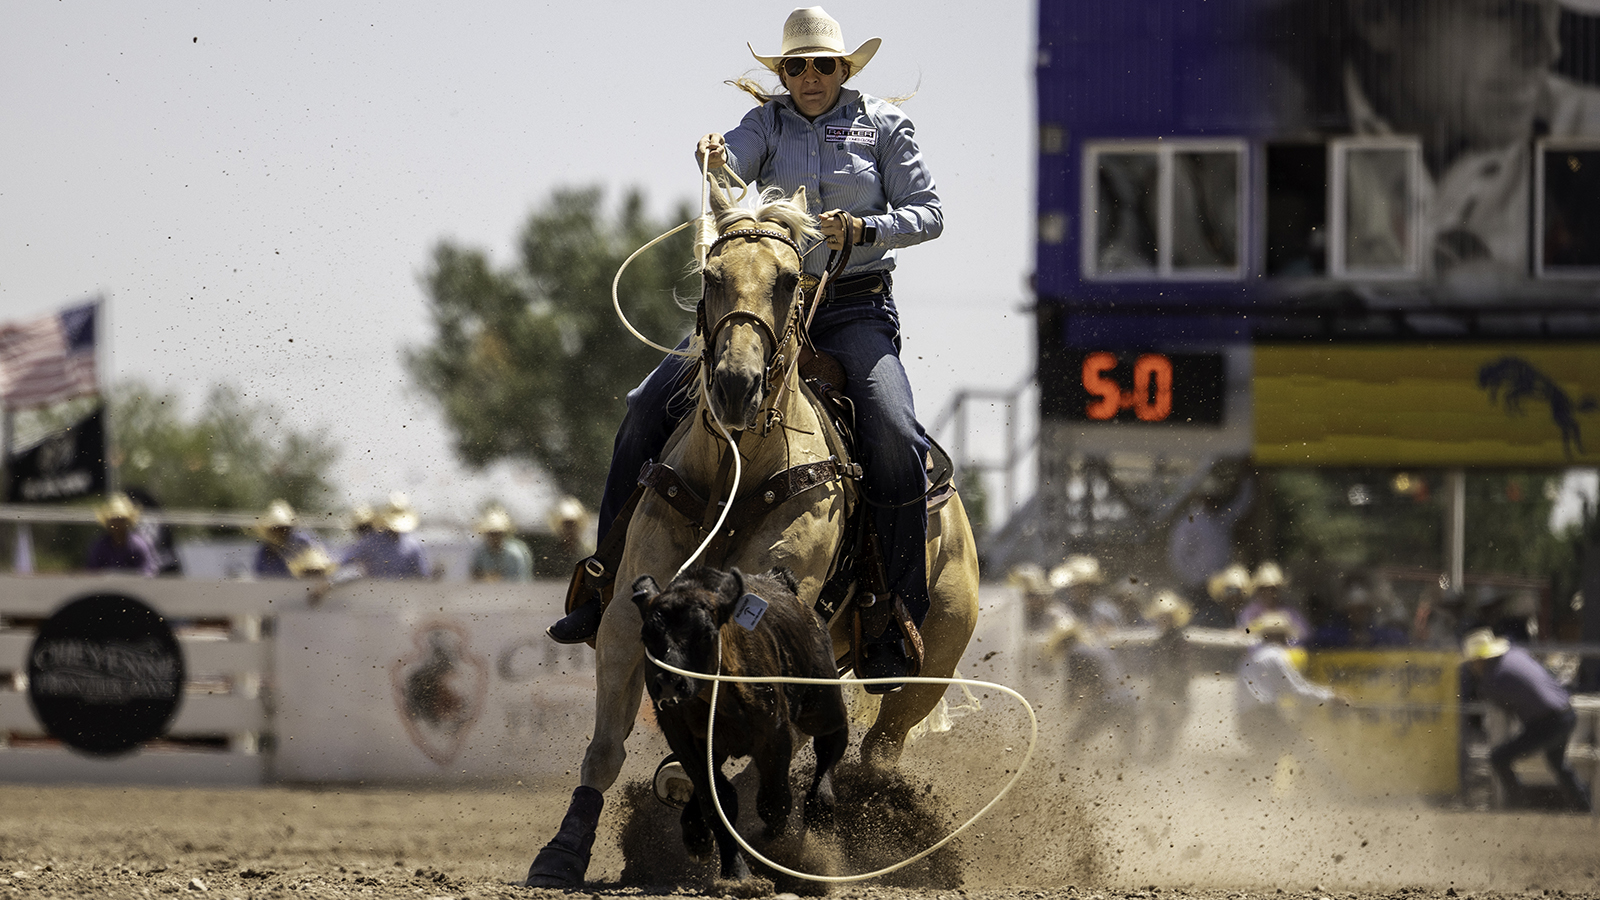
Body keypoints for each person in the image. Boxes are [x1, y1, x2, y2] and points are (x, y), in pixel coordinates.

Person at [549, 7, 944, 689]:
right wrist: (711, 156)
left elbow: (929, 212)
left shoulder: (883, 124)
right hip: (757, 302)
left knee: (894, 433)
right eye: (796, 65)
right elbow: (729, 160)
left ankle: (890, 615)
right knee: (647, 404)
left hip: (851, 305)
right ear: (782, 72)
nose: (810, 76)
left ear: (844, 69)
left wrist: (865, 226)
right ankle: (604, 581)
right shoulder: (767, 122)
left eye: (823, 64)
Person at [1461, 628, 1591, 811]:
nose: (1472, 667)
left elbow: (1506, 710)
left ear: (1479, 660)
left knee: (1499, 758)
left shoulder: (1493, 679)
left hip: (1548, 723)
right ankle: (1583, 807)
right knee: (1558, 763)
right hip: (1567, 713)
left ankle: (1517, 805)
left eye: (1472, 662)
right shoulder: (1516, 653)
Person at [1235, 611, 1343, 762]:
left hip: (1246, 719)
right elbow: (1297, 690)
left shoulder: (1253, 658)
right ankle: (1330, 786)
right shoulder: (1275, 656)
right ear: (1282, 636)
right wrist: (1331, 696)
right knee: (1306, 754)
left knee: (1267, 761)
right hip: (1264, 716)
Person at [1047, 614, 1139, 756]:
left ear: (1063, 642)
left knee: (1073, 742)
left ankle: (1067, 773)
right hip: (1128, 698)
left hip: (1107, 702)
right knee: (1129, 749)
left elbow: (1074, 684)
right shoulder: (1098, 646)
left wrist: (1067, 706)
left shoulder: (1075, 653)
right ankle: (1133, 773)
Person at [1142, 590, 1195, 761]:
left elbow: (1184, 671)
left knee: (1167, 734)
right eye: (1161, 616)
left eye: (1166, 616)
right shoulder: (1160, 642)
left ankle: (1163, 766)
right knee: (1160, 731)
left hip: (1174, 695)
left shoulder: (1178, 641)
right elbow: (1155, 671)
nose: (1163, 619)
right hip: (1162, 693)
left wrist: (1175, 697)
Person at [339, 492, 430, 579]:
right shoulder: (371, 541)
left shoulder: (413, 545)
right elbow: (345, 560)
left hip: (404, 591)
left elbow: (422, 573)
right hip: (374, 589)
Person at [85, 492, 159, 576]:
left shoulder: (138, 546)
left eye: (121, 520)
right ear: (108, 523)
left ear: (127, 522)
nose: (117, 524)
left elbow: (148, 573)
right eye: (114, 520)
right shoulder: (99, 546)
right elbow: (92, 573)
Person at [1236, 561, 1311, 642]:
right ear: (1259, 590)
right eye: (1265, 588)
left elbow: (1305, 633)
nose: (1270, 592)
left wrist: (1288, 628)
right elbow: (1244, 633)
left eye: (1273, 589)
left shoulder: (1290, 612)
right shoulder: (1249, 612)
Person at [252, 499, 323, 579]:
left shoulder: (302, 543)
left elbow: (318, 571)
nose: (280, 531)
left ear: (289, 529)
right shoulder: (265, 550)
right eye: (276, 528)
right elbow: (259, 575)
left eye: (282, 528)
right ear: (270, 530)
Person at [471, 505, 533, 583]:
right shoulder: (480, 553)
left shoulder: (514, 555)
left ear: (502, 534)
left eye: (496, 533)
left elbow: (520, 580)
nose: (493, 537)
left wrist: (496, 579)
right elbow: (474, 575)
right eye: (490, 533)